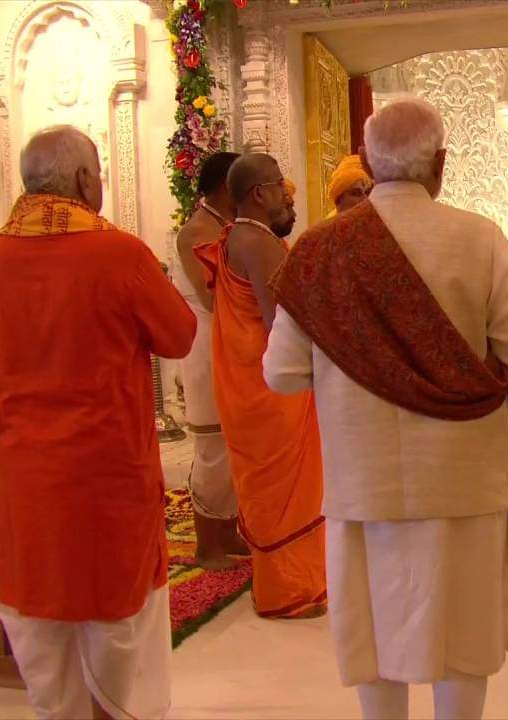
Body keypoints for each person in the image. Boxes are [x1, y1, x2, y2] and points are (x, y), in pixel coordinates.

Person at [263, 97, 508, 720]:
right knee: (463, 640)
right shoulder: (479, 238)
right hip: (464, 482)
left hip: (364, 485)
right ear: (441, 164)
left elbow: (281, 375)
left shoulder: (318, 252)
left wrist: (349, 350)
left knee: (375, 633)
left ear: (367, 161)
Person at [0, 125, 195, 720]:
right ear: (81, 179)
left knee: (41, 607)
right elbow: (180, 334)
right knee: (114, 611)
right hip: (105, 472)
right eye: (97, 173)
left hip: (27, 471)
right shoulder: (118, 251)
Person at [192, 153, 327, 619]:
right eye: (279, 187)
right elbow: (281, 325)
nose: (288, 195)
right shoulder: (261, 243)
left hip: (245, 385)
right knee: (287, 489)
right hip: (272, 389)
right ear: (258, 194)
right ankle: (288, 592)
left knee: (267, 489)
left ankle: (281, 585)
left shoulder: (235, 237)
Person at [173, 151, 248, 569]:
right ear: (225, 187)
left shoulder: (224, 227)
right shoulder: (197, 231)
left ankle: (228, 533)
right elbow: (213, 297)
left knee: (231, 447)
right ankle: (207, 546)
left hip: (229, 344)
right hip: (206, 348)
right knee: (212, 449)